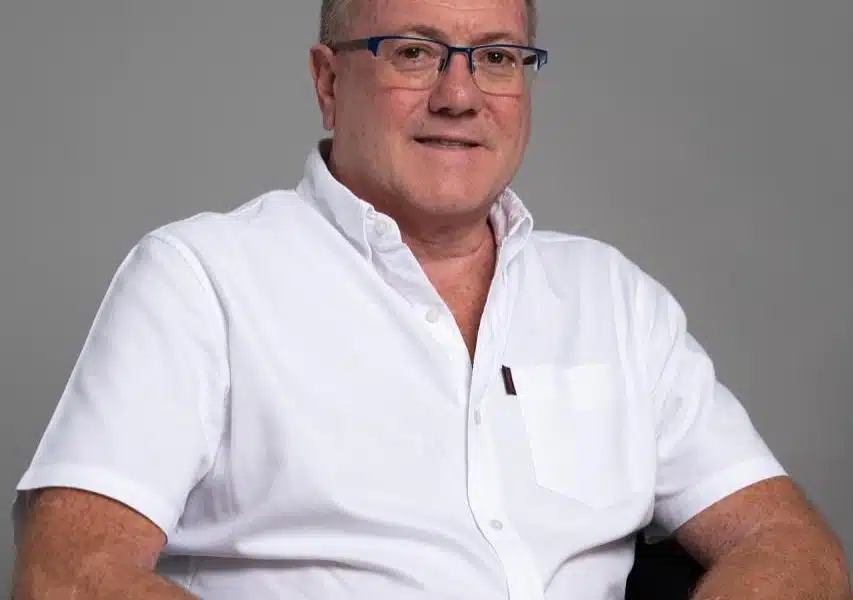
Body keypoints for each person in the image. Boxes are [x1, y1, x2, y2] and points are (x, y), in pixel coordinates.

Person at [10, 0, 850, 598]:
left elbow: (787, 546)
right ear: (328, 81)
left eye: (497, 57)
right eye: (413, 52)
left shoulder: (614, 299)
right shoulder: (201, 279)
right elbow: (71, 575)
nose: (459, 94)